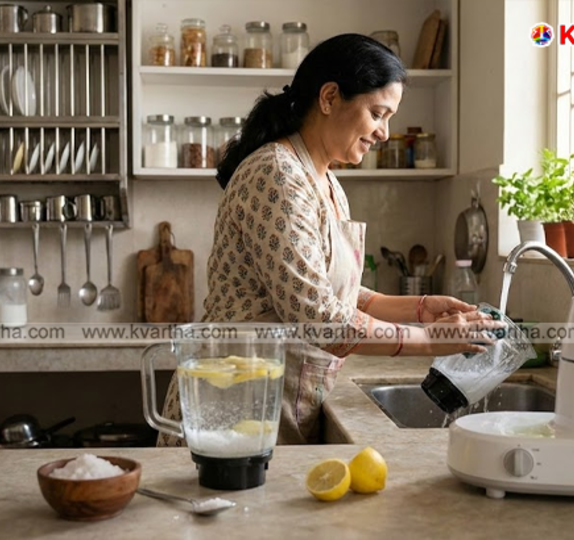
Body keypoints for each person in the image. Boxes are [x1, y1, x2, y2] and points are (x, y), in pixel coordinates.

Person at [158, 34, 499, 446]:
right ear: (330, 97)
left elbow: (336, 292)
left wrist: (419, 308)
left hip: (276, 405)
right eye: (378, 113)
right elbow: (318, 318)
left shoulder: (327, 183)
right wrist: (429, 340)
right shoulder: (277, 175)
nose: (385, 133)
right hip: (231, 408)